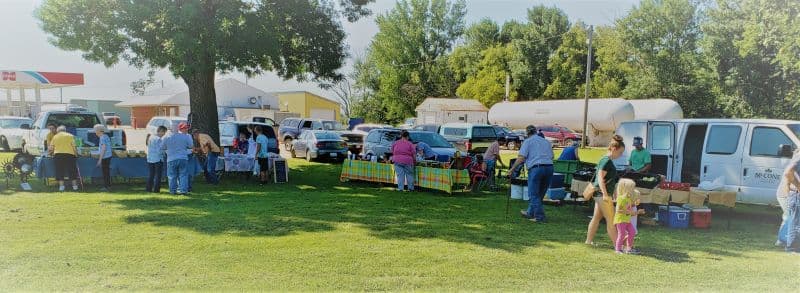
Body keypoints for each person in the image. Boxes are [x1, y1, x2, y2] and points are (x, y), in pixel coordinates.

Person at [585, 135, 626, 246]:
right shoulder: (606, 161)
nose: (621, 155)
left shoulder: (605, 160)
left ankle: (589, 241)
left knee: (596, 217)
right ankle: (617, 246)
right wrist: (605, 194)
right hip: (602, 194)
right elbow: (600, 178)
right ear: (614, 149)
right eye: (620, 152)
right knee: (611, 219)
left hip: (600, 194)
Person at [509, 125, 554, 223]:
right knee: (540, 192)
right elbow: (552, 156)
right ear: (536, 132)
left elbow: (521, 157)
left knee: (533, 193)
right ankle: (530, 212)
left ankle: (539, 217)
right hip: (549, 167)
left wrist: (512, 169)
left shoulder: (528, 141)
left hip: (536, 168)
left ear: (527, 133)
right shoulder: (546, 141)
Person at [162, 122, 194, 195]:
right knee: (183, 175)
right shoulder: (185, 136)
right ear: (178, 129)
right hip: (183, 157)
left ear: (170, 129)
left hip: (171, 158)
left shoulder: (167, 137)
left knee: (172, 176)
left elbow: (162, 147)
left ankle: (173, 191)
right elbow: (191, 145)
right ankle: (183, 191)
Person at [777, 151, 800, 246]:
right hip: (788, 193)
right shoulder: (798, 156)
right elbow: (788, 173)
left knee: (789, 217)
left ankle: (782, 241)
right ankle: (787, 243)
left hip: (788, 193)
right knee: (792, 219)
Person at [49, 125, 79, 192]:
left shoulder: (55, 136)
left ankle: (61, 187)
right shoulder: (70, 136)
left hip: (58, 155)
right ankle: (74, 186)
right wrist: (76, 154)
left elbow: (51, 148)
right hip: (70, 155)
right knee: (72, 170)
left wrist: (50, 153)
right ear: (65, 130)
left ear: (58, 130)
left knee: (59, 170)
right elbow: (74, 146)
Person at [614, 178, 639, 254]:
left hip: (627, 220)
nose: (633, 190)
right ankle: (618, 250)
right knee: (621, 234)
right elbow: (618, 210)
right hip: (621, 220)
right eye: (632, 188)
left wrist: (635, 208)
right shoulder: (621, 198)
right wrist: (628, 211)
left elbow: (629, 209)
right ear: (627, 189)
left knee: (632, 232)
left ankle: (629, 248)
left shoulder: (628, 199)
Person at [146, 126, 167, 193]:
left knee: (151, 174)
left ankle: (148, 189)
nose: (164, 134)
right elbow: (159, 150)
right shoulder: (158, 139)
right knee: (158, 175)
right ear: (160, 131)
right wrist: (165, 152)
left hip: (150, 158)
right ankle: (156, 190)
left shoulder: (151, 137)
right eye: (164, 132)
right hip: (158, 159)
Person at [93, 124, 113, 192]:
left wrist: (100, 160)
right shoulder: (106, 136)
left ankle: (106, 187)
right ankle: (108, 185)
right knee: (106, 172)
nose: (95, 132)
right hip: (108, 156)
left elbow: (103, 149)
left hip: (105, 157)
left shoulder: (102, 137)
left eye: (95, 131)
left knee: (105, 172)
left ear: (98, 131)